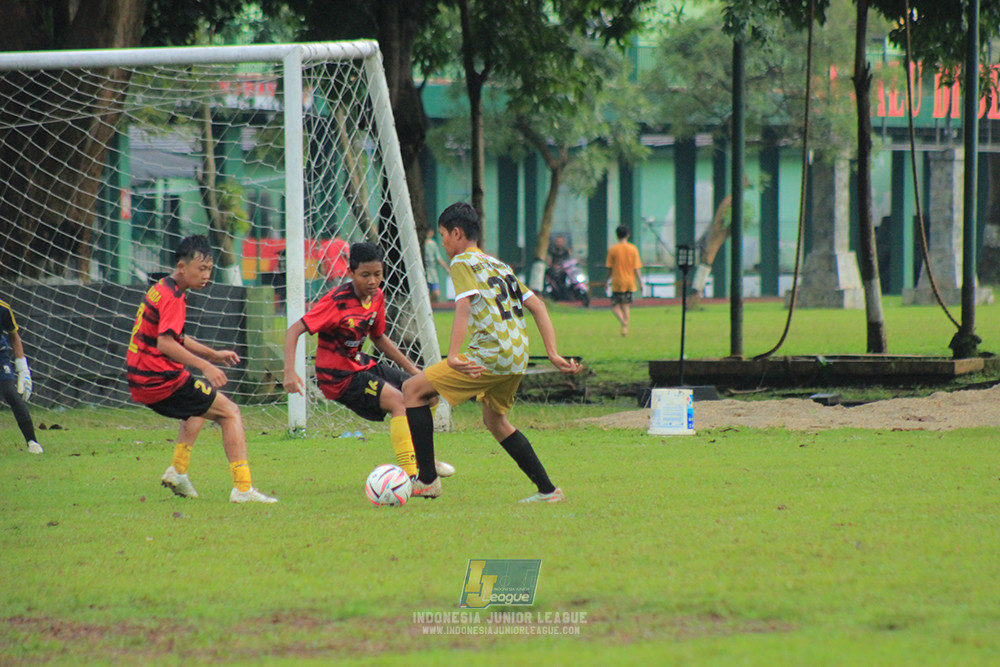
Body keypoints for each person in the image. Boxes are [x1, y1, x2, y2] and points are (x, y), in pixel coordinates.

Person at [402, 202, 581, 503]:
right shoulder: (499, 265)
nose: (443, 242)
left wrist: (454, 354)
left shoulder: (462, 263)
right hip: (516, 356)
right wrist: (552, 352)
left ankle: (427, 480)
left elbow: (464, 305)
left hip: (491, 353)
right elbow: (537, 305)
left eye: (444, 235)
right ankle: (549, 492)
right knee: (495, 421)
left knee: (412, 389)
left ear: (457, 233)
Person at [283, 241, 454, 480]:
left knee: (426, 391)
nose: (372, 281)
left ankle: (422, 457)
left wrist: (414, 370)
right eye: (365, 275)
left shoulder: (377, 296)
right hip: (337, 377)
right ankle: (412, 476)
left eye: (377, 274)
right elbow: (294, 330)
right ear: (351, 272)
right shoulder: (336, 302)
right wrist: (289, 371)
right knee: (399, 402)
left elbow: (378, 337)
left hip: (359, 363)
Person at [126, 235, 277, 503]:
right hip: (161, 381)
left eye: (209, 269)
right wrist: (206, 366)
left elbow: (176, 337)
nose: (206, 275)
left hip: (142, 380)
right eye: (201, 269)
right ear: (182, 267)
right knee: (230, 413)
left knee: (198, 407)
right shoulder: (173, 298)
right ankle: (243, 489)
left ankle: (178, 471)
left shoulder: (162, 287)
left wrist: (213, 354)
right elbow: (166, 343)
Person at [0, 297, 43, 454]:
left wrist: (23, 370)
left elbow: (14, 336)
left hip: (0, 355)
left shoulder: (3, 308)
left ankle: (32, 441)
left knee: (10, 393)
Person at [605, 225, 644, 337]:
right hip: (629, 282)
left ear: (616, 235)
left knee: (615, 306)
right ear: (628, 235)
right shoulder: (633, 249)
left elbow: (610, 269)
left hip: (617, 282)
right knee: (626, 306)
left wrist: (606, 281)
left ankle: (623, 321)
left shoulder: (613, 250)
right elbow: (636, 268)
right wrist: (640, 282)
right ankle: (625, 328)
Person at [423, 228, 450, 303]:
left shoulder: (433, 244)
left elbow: (438, 258)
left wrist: (446, 268)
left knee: (436, 293)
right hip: (425, 273)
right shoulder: (422, 244)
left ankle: (428, 305)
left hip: (432, 273)